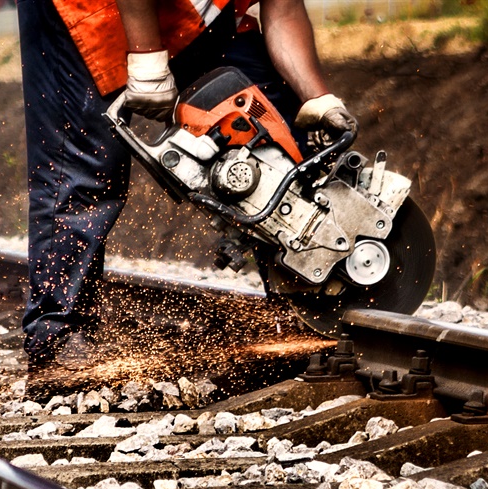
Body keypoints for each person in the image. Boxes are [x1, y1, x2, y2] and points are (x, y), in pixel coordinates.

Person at [18, 0, 357, 397]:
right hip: (86, 10)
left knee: (270, 120)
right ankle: (58, 340)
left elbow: (282, 9)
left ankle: (305, 311)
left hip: (195, 11)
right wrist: (147, 59)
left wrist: (317, 99)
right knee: (85, 171)